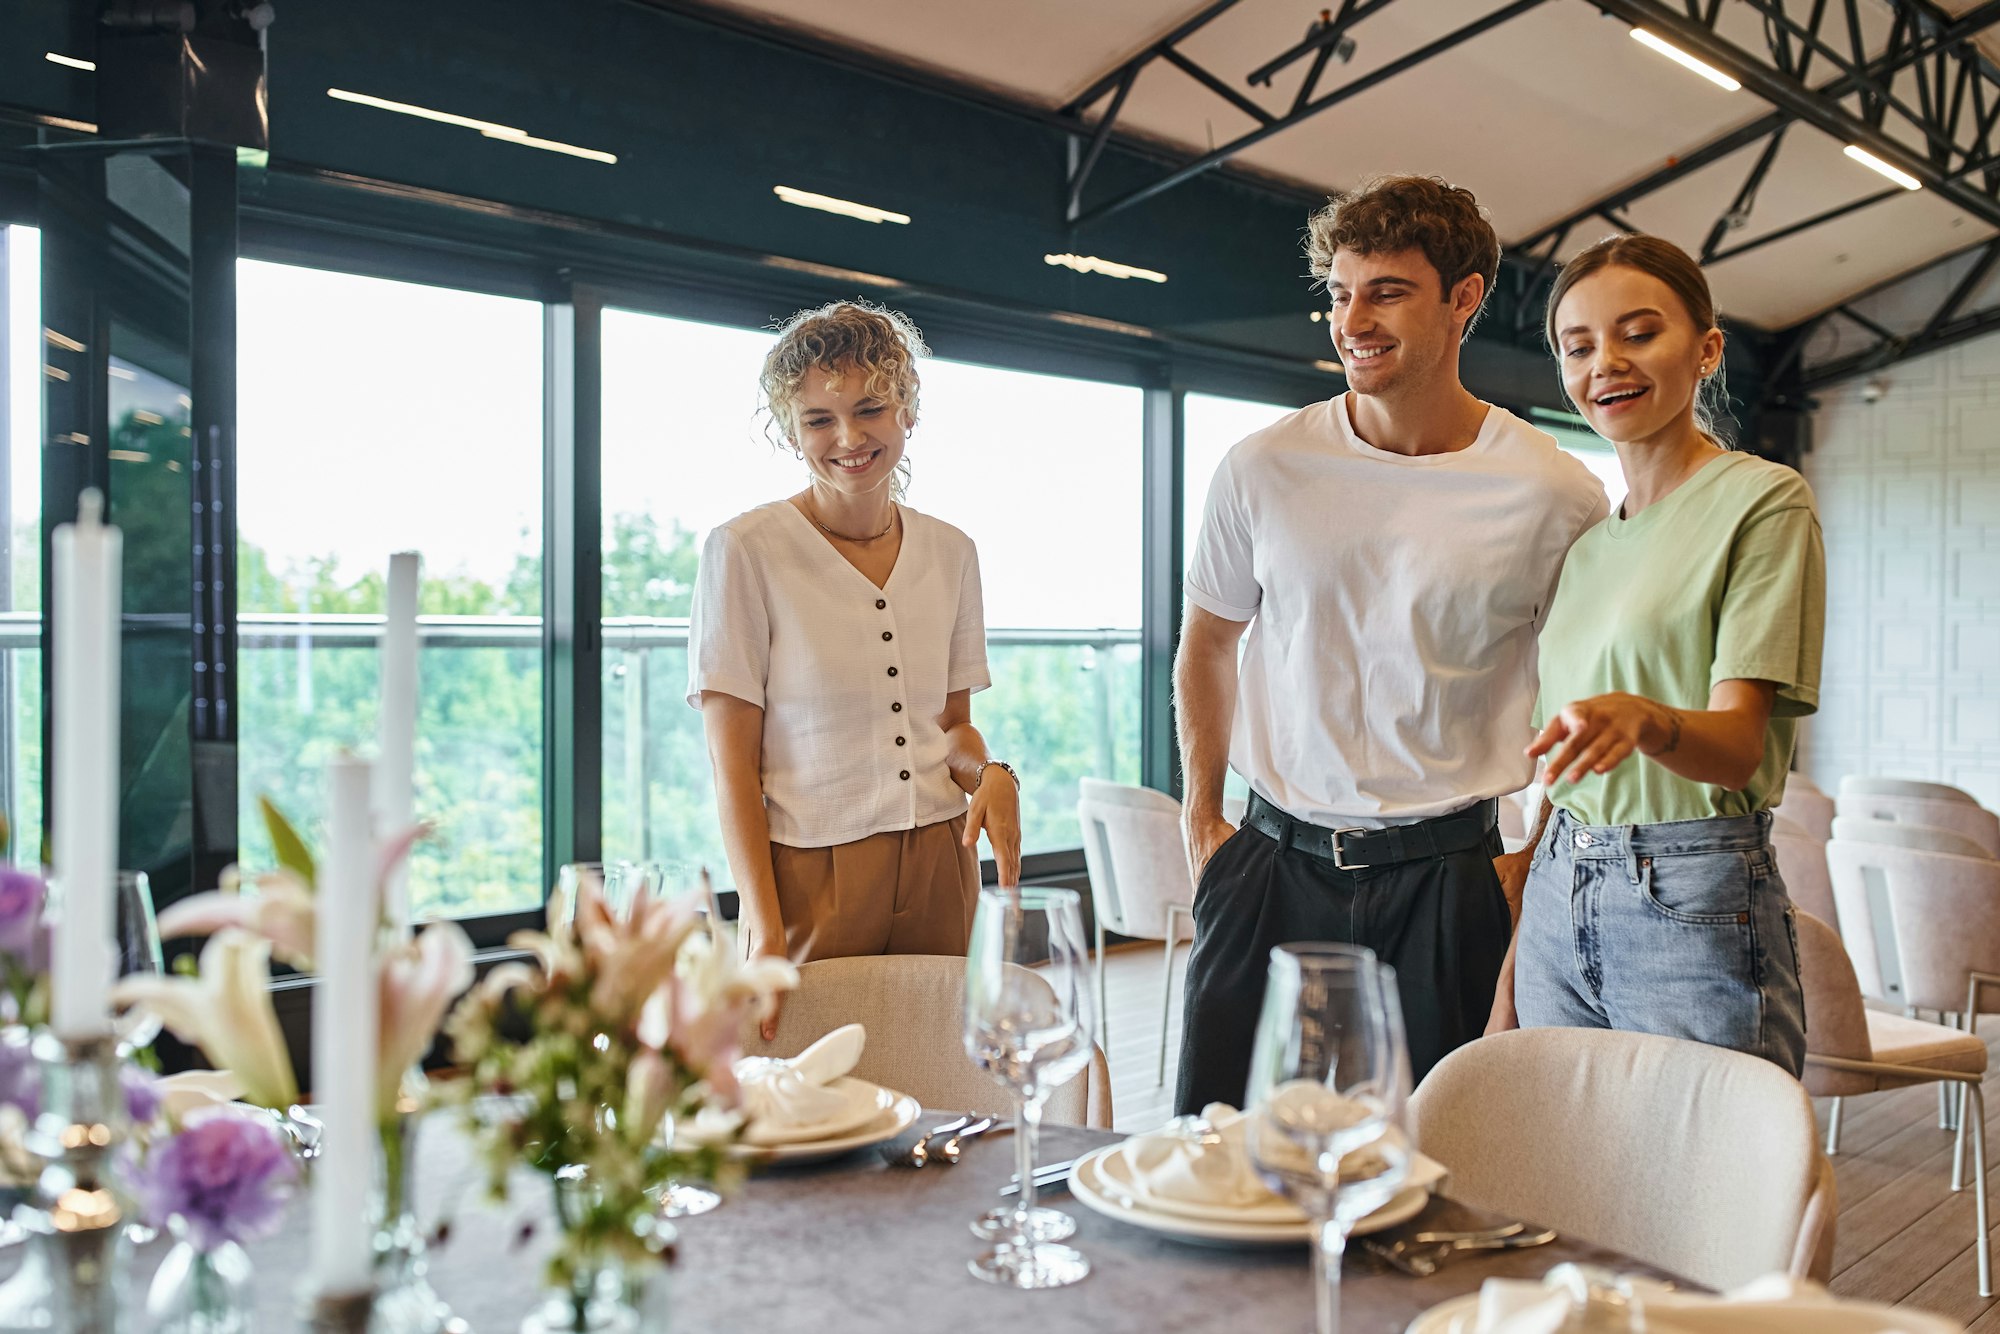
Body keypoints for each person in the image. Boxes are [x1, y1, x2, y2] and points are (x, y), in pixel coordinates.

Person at [1173, 176, 1608, 1113]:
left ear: (1465, 298)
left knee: (1437, 1167)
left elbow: (1582, 696)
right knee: (1216, 1153)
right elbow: (1208, 639)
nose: (1352, 319)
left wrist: (1528, 863)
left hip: (1450, 881)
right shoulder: (1263, 465)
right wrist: (1201, 818)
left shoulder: (1554, 492)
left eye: (1386, 292)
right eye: (1339, 292)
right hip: (1268, 864)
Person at [1491, 235, 1822, 1074]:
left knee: (1708, 1187)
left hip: (1692, 890)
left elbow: (1739, 747)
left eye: (1639, 333)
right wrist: (1520, 937)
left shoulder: (1763, 499)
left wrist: (1646, 721)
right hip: (1559, 881)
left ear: (1707, 349)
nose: (1606, 363)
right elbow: (1563, 775)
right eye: (1579, 346)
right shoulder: (1588, 546)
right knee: (1564, 1175)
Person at [688, 300, 1022, 1037]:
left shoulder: (952, 551)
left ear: (907, 411)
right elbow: (733, 770)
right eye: (817, 420)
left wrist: (989, 772)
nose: (848, 438)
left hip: (941, 862)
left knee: (947, 1083)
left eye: (870, 408)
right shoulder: (745, 552)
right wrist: (765, 927)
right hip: (811, 873)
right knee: (814, 1095)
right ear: (789, 430)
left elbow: (952, 728)